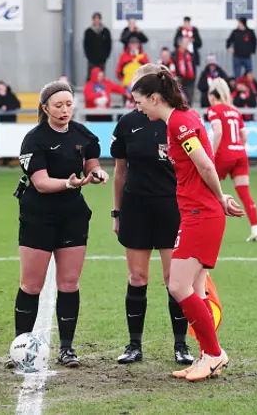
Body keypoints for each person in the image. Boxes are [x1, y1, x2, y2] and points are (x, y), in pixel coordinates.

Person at [131, 70, 244, 382]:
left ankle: (215, 354)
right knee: (193, 288)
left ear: (155, 98)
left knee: (178, 286)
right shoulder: (182, 118)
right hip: (196, 212)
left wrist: (220, 198)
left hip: (200, 213)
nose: (138, 107)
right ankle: (208, 356)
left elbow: (205, 163)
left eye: (140, 102)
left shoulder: (180, 123)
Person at [8, 80, 109, 368]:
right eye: (58, 105)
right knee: (31, 284)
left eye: (68, 104)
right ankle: (21, 347)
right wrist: (69, 182)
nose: (65, 110)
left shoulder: (83, 134)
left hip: (73, 215)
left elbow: (92, 163)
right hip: (38, 216)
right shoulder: (34, 139)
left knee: (69, 282)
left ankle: (67, 349)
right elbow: (40, 183)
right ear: (45, 108)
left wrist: (98, 173)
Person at [111, 63, 195, 366]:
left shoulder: (177, 122)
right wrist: (117, 212)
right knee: (137, 277)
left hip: (172, 208)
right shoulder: (127, 123)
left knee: (174, 280)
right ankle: (134, 345)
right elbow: (120, 173)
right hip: (135, 207)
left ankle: (181, 345)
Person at [207, 78, 257, 242]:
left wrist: (211, 155)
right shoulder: (235, 111)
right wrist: (238, 148)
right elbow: (244, 135)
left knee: (206, 191)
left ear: (212, 94)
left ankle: (207, 229)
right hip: (240, 154)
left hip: (223, 155)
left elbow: (217, 132)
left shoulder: (214, 109)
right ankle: (256, 230)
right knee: (245, 194)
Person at [83, 12, 112, 81]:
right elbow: (86, 45)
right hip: (92, 59)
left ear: (100, 20)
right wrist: (89, 56)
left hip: (102, 59)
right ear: (93, 20)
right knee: (91, 75)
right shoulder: (88, 31)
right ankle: (90, 89)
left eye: (98, 19)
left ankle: (101, 89)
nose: (96, 20)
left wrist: (106, 56)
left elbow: (109, 44)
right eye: (95, 19)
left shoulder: (105, 31)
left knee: (101, 75)